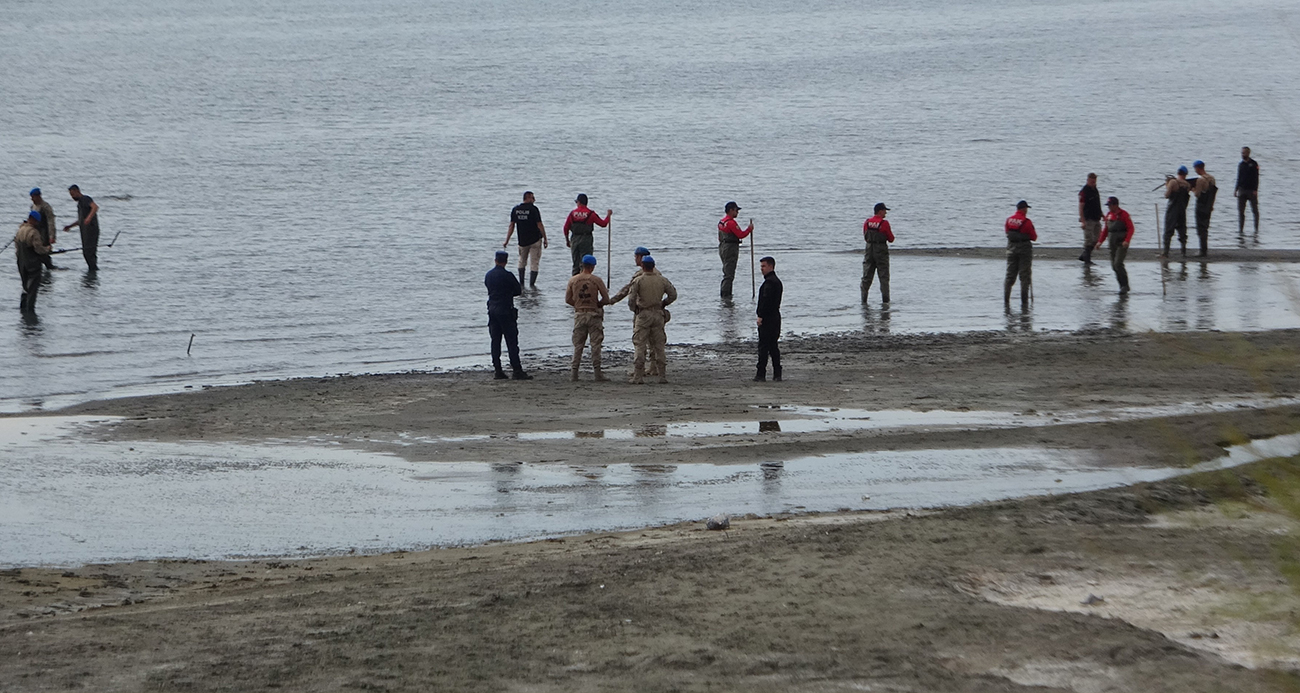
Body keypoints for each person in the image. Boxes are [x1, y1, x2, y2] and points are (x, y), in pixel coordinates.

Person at [606, 246, 660, 377]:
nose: (635, 259)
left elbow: (628, 291)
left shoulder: (640, 275)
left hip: (642, 312)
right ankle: (653, 367)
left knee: (640, 341)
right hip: (657, 312)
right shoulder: (657, 273)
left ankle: (640, 370)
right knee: (654, 341)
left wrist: (611, 300)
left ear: (641, 258)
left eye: (636, 256)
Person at [627, 255, 676, 384]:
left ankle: (638, 376)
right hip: (658, 314)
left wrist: (635, 309)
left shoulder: (638, 280)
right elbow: (673, 295)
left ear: (643, 266)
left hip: (643, 314)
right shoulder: (662, 280)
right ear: (653, 266)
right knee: (659, 345)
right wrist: (663, 303)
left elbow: (631, 299)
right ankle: (662, 376)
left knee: (640, 344)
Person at [484, 250, 532, 380]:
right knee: (511, 341)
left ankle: (498, 370)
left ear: (495, 260)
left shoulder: (489, 275)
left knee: (495, 340)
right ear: (506, 261)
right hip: (505, 310)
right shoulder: (508, 275)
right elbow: (518, 291)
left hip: (492, 309)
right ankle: (516, 370)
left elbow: (488, 288)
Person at [565, 254, 610, 382]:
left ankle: (574, 373)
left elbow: (568, 299)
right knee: (595, 344)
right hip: (593, 314)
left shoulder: (573, 280)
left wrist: (578, 305)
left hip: (579, 314)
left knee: (578, 345)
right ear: (592, 267)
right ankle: (597, 373)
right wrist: (598, 304)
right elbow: (606, 299)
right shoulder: (596, 280)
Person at [503, 191, 547, 287]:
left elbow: (511, 225)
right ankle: (532, 284)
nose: (534, 200)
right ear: (527, 198)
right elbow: (539, 224)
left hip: (522, 240)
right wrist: (545, 238)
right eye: (532, 197)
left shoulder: (516, 209)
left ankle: (521, 283)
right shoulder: (534, 209)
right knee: (534, 262)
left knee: (521, 261)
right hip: (535, 240)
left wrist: (507, 240)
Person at [562, 194, 611, 276]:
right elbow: (603, 224)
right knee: (586, 264)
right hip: (586, 239)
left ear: (579, 202)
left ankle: (574, 282)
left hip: (575, 239)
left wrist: (567, 240)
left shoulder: (572, 214)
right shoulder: (590, 214)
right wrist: (608, 216)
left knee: (575, 263)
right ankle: (585, 282)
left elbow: (566, 228)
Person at [1095, 196, 1134, 294]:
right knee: (1114, 266)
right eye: (1108, 205)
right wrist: (1100, 242)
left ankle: (1125, 285)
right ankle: (1121, 285)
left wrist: (1127, 240)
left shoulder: (1124, 215)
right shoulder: (1109, 215)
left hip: (1121, 243)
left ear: (1115, 205)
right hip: (1112, 243)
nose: (1109, 207)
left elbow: (1131, 228)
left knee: (1118, 263)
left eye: (1110, 205)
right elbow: (1106, 230)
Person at [14, 211, 51, 315]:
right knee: (32, 289)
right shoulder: (33, 232)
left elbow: (17, 248)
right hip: (33, 265)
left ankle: (22, 309)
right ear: (33, 220)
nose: (38, 223)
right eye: (37, 221)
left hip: (21, 263)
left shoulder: (20, 230)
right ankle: (30, 310)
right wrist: (47, 249)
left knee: (25, 287)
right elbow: (39, 249)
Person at [755, 256, 783, 382]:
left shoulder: (770, 283)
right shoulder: (776, 281)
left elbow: (765, 301)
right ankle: (777, 373)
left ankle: (761, 373)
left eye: (763, 266)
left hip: (768, 318)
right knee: (773, 346)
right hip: (775, 317)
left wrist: (760, 315)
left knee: (764, 347)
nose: (761, 269)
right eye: (761, 266)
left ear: (771, 266)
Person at [717, 201, 753, 298]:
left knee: (726, 270)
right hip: (731, 248)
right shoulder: (731, 223)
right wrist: (749, 229)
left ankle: (725, 294)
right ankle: (726, 295)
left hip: (722, 247)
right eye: (736, 210)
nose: (737, 213)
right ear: (731, 210)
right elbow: (740, 235)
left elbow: (719, 237)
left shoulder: (721, 222)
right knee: (729, 274)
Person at [1004, 200, 1036, 304]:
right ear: (1023, 209)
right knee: (1024, 276)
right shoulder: (1027, 222)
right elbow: (1034, 237)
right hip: (1024, 249)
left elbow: (1007, 232)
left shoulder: (1009, 220)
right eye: (1026, 208)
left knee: (1009, 276)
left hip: (1011, 248)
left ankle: (1006, 301)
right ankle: (1024, 302)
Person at [861, 203, 893, 303]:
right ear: (880, 211)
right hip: (881, 250)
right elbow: (891, 239)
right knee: (883, 276)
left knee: (867, 276)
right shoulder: (884, 223)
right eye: (884, 211)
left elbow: (865, 237)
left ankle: (863, 300)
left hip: (869, 249)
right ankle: (885, 302)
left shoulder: (867, 222)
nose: (886, 213)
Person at [62, 185, 99, 271]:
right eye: (71, 195)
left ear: (77, 191)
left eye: (73, 194)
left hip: (91, 230)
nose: (72, 197)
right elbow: (81, 220)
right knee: (86, 253)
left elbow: (95, 207)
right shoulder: (80, 204)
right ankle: (92, 269)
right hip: (84, 232)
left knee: (88, 253)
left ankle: (93, 270)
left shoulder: (85, 199)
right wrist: (70, 226)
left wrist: (89, 218)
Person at [1189, 161, 1217, 257]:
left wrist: (1193, 189)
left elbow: (1197, 194)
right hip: (1209, 205)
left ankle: (1202, 250)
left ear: (1198, 168)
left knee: (1200, 228)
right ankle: (1204, 249)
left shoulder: (1200, 180)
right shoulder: (1211, 178)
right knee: (1205, 227)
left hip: (1201, 206)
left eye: (1195, 168)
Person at [1163, 166, 1191, 256]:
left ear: (1178, 173)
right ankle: (1183, 251)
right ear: (1185, 174)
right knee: (1182, 230)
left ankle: (1166, 252)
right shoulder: (1187, 184)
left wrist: (1167, 185)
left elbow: (1166, 195)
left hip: (1172, 210)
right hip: (1182, 210)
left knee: (1168, 231)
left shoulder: (1173, 182)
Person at [29, 188, 57, 270]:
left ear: (38, 196)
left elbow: (51, 221)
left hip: (44, 232)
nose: (32, 199)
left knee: (44, 251)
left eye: (33, 197)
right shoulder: (33, 207)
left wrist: (52, 236)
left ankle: (49, 266)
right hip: (35, 232)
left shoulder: (46, 207)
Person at [1077, 173, 1102, 264]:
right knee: (1089, 239)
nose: (1093, 183)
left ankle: (1083, 256)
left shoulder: (1095, 190)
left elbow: (1097, 203)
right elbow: (1081, 207)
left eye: (1094, 181)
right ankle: (1087, 259)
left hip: (1096, 218)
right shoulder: (1084, 192)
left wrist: (1102, 214)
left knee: (1097, 238)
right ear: (1088, 180)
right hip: (1088, 219)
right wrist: (1083, 221)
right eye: (1092, 181)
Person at [1235, 146, 1260, 235]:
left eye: (1244, 153)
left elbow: (1256, 178)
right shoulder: (1241, 164)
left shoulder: (1253, 164)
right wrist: (1236, 189)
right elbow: (1238, 177)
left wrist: (1255, 189)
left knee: (1255, 211)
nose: (1242, 154)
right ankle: (1241, 230)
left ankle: (1256, 229)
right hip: (1242, 190)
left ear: (1248, 153)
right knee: (1241, 211)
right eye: (1242, 153)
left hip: (1251, 190)